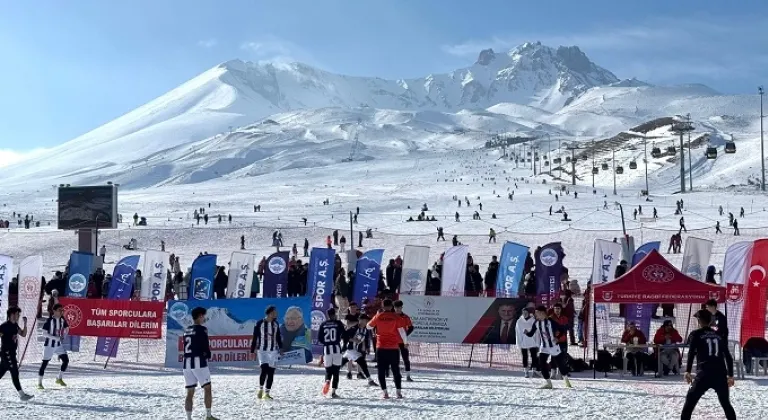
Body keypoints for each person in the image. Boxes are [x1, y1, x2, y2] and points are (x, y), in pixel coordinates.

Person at [681, 309, 736, 420]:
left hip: (704, 373)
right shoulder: (719, 335)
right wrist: (730, 375)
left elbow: (691, 353)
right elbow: (728, 356)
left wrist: (687, 371)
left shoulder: (696, 334)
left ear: (700, 321)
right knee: (726, 404)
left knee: (689, 403)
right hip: (720, 373)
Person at [367, 299, 408, 399]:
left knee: (381, 370)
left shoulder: (378, 316)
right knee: (395, 370)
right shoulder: (396, 317)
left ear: (382, 306)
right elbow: (402, 332)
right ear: (391, 307)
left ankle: (385, 393)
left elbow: (368, 326)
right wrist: (405, 343)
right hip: (394, 347)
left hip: (381, 347)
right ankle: (398, 392)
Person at [524, 306, 571, 389]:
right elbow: (531, 333)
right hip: (544, 347)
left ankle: (566, 380)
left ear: (542, 313)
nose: (535, 315)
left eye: (537, 313)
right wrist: (526, 333)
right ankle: (548, 383)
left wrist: (557, 337)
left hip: (553, 346)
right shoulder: (536, 323)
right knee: (541, 363)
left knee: (560, 364)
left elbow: (562, 330)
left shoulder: (550, 321)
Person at [183, 307, 217, 420]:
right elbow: (205, 347)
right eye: (204, 316)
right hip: (198, 362)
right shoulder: (202, 330)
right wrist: (208, 355)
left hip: (186, 363)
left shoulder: (186, 330)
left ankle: (189, 418)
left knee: (190, 392)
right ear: (200, 316)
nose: (205, 318)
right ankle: (208, 415)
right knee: (207, 388)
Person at [250, 306, 283, 400]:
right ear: (269, 313)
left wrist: (280, 348)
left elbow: (278, 337)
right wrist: (252, 350)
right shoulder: (260, 323)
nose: (276, 314)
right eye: (274, 312)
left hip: (273, 351)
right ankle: (260, 389)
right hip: (262, 350)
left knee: (271, 372)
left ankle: (267, 393)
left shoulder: (276, 324)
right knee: (264, 369)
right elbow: (255, 337)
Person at [0, 307, 33, 400]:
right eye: (17, 314)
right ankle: (22, 395)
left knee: (1, 372)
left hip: (11, 354)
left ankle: (22, 395)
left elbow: (23, 334)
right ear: (11, 314)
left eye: (18, 314)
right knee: (14, 372)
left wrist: (25, 324)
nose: (18, 316)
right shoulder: (4, 326)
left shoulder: (15, 326)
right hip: (6, 353)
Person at [38, 303, 69, 389]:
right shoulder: (49, 321)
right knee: (44, 364)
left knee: (66, 360)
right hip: (49, 345)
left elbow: (67, 328)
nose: (61, 312)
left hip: (58, 345)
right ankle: (39, 383)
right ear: (54, 311)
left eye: (62, 310)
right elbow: (43, 333)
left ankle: (59, 378)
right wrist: (55, 338)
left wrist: (64, 336)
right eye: (59, 310)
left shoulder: (62, 320)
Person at [341, 314, 377, 385]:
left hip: (352, 351)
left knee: (340, 364)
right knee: (363, 363)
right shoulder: (354, 328)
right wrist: (354, 340)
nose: (367, 321)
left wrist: (364, 346)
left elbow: (363, 339)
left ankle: (330, 375)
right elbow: (344, 336)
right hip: (350, 349)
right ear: (360, 320)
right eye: (365, 320)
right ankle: (370, 380)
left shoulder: (365, 329)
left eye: (367, 320)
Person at [318, 308, 345, 398]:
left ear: (327, 315)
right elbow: (344, 334)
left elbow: (320, 339)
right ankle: (333, 392)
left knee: (328, 370)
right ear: (335, 314)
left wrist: (326, 343)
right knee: (336, 371)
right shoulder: (338, 323)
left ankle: (327, 381)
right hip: (337, 349)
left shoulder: (323, 324)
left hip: (327, 350)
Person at [516, 304, 540, 378]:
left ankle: (534, 371)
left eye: (526, 312)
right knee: (525, 356)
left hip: (532, 342)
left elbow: (537, 332)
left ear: (529, 313)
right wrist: (519, 342)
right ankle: (526, 372)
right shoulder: (519, 321)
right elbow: (517, 332)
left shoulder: (533, 321)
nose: (525, 314)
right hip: (523, 342)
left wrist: (537, 341)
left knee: (534, 356)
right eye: (523, 312)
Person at [393, 300, 414, 382]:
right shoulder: (391, 316)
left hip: (403, 342)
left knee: (406, 358)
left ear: (402, 307)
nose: (398, 309)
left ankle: (408, 376)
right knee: (395, 359)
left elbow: (411, 327)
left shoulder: (405, 317)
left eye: (399, 307)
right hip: (393, 341)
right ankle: (396, 375)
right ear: (394, 308)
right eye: (396, 307)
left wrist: (405, 335)